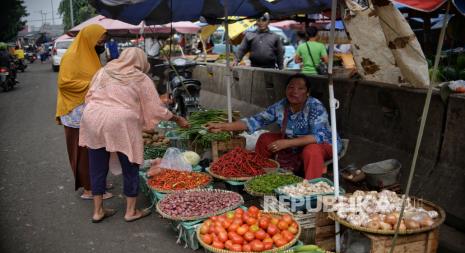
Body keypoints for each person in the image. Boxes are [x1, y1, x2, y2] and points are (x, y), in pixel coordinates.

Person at [79, 47, 189, 223]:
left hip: (92, 117)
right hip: (121, 121)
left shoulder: (103, 71)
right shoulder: (139, 77)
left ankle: (97, 211)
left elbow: (89, 95)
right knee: (131, 164)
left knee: (97, 166)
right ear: (140, 61)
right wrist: (177, 119)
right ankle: (131, 211)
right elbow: (156, 107)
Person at [207, 74, 342, 179]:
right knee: (265, 138)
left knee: (311, 151)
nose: (294, 91)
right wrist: (223, 126)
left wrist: (287, 143)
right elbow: (255, 121)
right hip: (294, 143)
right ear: (285, 89)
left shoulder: (314, 106)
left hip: (324, 144)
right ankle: (261, 175)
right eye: (290, 87)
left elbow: (319, 136)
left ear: (307, 92)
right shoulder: (281, 106)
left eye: (300, 88)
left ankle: (311, 188)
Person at [55, 24, 112, 200]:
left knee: (95, 149)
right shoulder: (71, 57)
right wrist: (93, 84)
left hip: (89, 110)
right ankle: (89, 189)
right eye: (99, 40)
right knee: (83, 152)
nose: (101, 44)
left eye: (102, 41)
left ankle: (96, 183)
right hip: (75, 112)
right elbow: (64, 83)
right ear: (88, 39)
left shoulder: (90, 54)